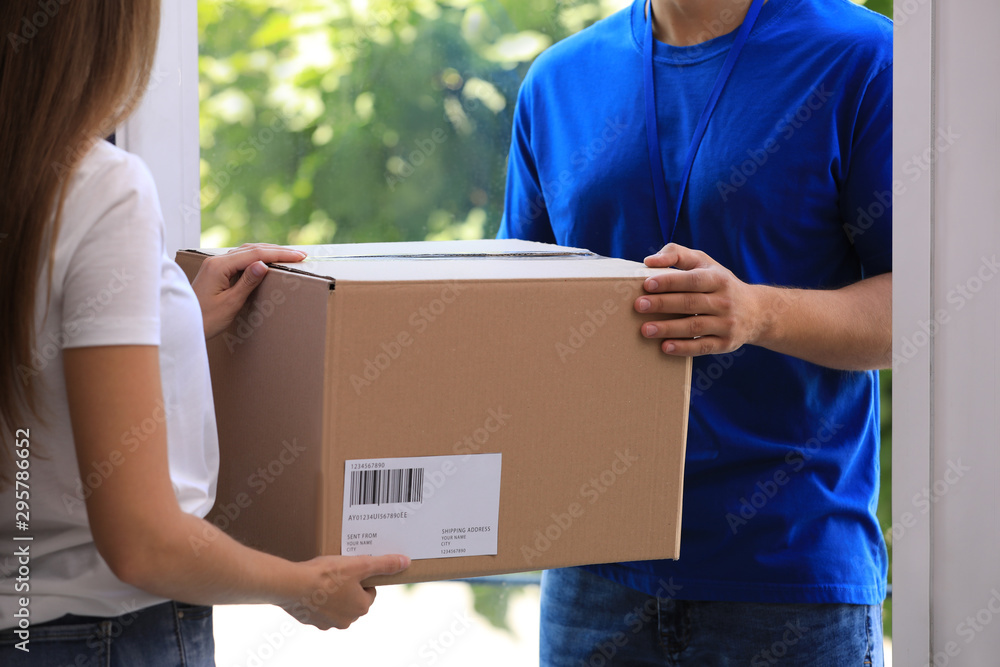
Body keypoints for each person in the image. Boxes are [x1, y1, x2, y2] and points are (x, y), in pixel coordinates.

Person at [0, 3, 408, 664]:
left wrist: (172, 318)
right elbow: (143, 542)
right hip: (102, 638)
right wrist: (305, 585)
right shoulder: (98, 188)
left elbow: (34, 364)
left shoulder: (27, 178)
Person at [500, 0, 891, 663]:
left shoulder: (864, 57)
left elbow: (924, 310)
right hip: (589, 573)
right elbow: (513, 317)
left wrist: (759, 312)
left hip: (789, 573)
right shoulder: (557, 79)